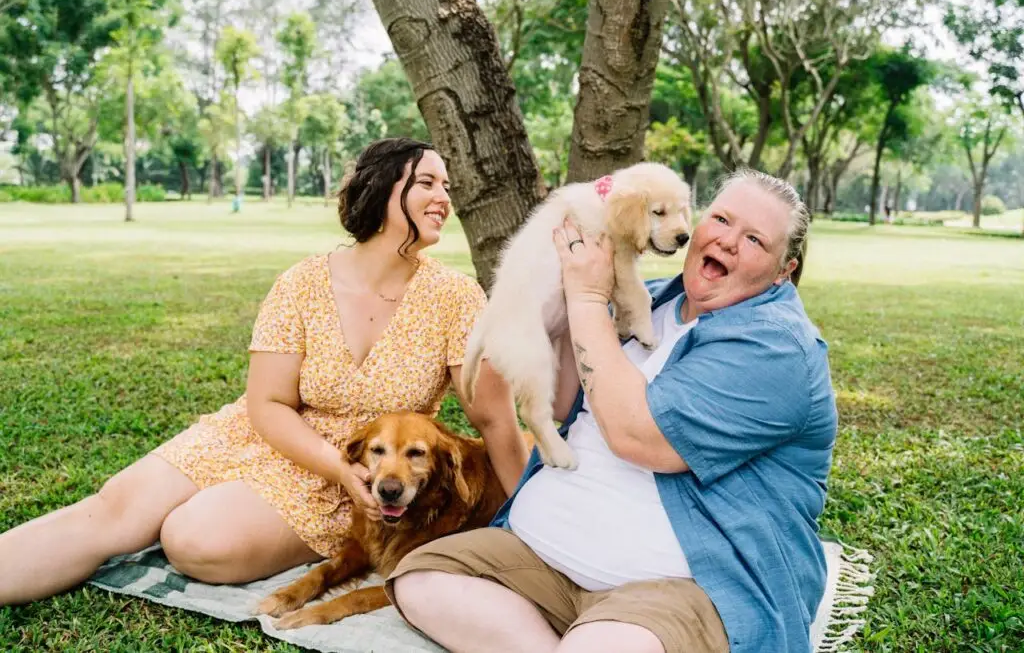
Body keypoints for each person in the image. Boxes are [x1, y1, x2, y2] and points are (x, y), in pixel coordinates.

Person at [0, 137, 528, 606]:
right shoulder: (300, 283)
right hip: (263, 435)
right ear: (382, 190)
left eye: (447, 186)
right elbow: (267, 403)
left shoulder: (455, 297)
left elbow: (497, 420)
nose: (445, 198)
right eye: (428, 183)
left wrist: (528, 517)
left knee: (191, 539)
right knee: (114, 510)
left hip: (363, 473)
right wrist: (333, 463)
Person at [386, 170, 838, 653]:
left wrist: (587, 299)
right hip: (544, 556)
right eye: (722, 219)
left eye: (753, 239)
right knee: (420, 578)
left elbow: (636, 436)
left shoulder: (777, 348)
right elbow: (571, 402)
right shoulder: (659, 301)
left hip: (677, 585)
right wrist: (557, 306)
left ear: (784, 270)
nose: (727, 241)